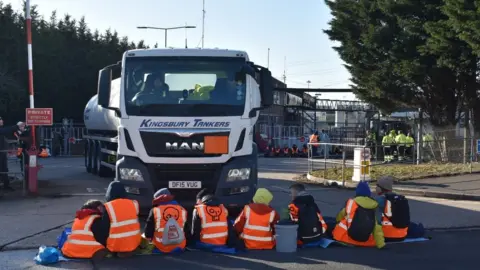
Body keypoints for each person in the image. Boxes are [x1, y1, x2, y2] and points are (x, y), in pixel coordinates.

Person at [332, 181, 385, 249]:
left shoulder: (352, 202)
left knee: (333, 223)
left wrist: (337, 221)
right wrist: (380, 244)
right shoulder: (374, 206)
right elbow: (377, 227)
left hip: (346, 238)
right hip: (365, 241)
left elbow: (340, 216)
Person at [99, 181, 142, 256]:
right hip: (134, 244)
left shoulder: (108, 207)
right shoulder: (134, 203)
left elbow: (104, 229)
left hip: (116, 246)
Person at [376, 176, 425, 241]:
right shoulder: (400, 199)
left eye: (377, 186)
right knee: (416, 227)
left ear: (380, 188)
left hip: (385, 235)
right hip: (402, 235)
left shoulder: (379, 201)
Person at [143, 188, 187, 253]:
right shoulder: (182, 209)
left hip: (161, 246)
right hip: (180, 245)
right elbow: (187, 229)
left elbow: (148, 231)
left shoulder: (155, 210)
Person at [0, 119, 25, 191]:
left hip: (2, 152)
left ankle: (6, 185)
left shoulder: (2, 130)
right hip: (1, 152)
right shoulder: (2, 130)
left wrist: (19, 132)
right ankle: (5, 185)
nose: (2, 121)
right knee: (3, 169)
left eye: (2, 120)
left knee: (4, 169)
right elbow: (6, 130)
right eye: (0, 120)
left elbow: (10, 135)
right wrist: (16, 127)